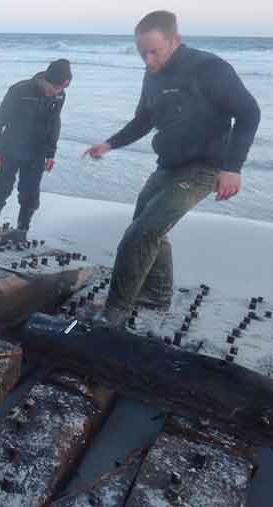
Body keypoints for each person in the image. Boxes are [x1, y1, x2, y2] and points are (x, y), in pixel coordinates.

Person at [84, 10, 260, 327]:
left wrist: (233, 169)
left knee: (142, 233)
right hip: (169, 166)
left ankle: (114, 314)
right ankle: (157, 294)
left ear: (175, 40)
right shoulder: (152, 75)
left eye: (155, 51)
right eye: (142, 53)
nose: (148, 60)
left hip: (206, 167)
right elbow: (144, 120)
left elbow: (249, 113)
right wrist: (110, 143)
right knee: (146, 224)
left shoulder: (209, 68)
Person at [0, 59, 71, 235]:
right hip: (10, 147)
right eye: (54, 87)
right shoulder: (19, 90)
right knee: (1, 189)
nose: (56, 92)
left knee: (30, 195)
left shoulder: (60, 96)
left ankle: (22, 231)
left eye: (61, 89)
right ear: (45, 79)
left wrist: (51, 153)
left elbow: (55, 124)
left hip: (37, 152)